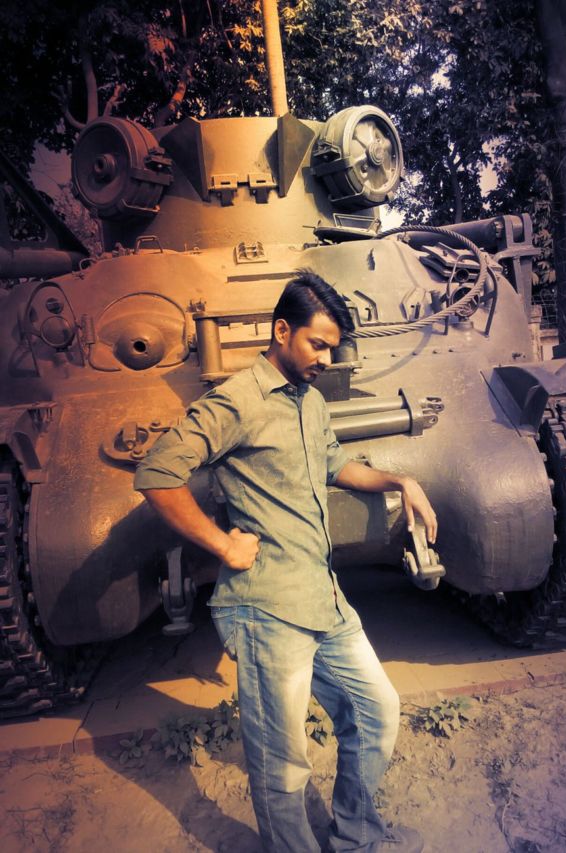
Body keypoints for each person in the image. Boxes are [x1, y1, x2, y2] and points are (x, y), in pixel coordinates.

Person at [134, 270, 437, 853]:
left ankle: (356, 837)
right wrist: (223, 545)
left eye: (332, 348)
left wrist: (401, 480)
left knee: (377, 711)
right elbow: (157, 473)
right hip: (266, 609)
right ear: (281, 331)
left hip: (322, 596)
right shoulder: (236, 400)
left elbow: (333, 465)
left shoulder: (311, 401)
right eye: (317, 344)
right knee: (283, 763)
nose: (326, 358)